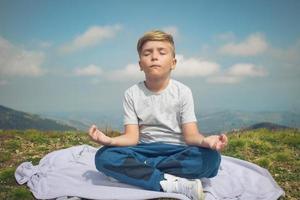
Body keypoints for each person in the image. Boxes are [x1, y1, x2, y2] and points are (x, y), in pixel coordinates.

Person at [89, 30, 228, 200]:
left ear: (173, 62)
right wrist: (110, 141)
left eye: (162, 52)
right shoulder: (131, 93)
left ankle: (138, 173)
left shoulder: (183, 92)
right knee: (104, 156)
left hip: (176, 152)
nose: (154, 57)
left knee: (211, 158)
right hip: (144, 151)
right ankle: (168, 182)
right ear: (140, 64)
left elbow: (191, 136)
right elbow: (132, 138)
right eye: (147, 53)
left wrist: (206, 141)